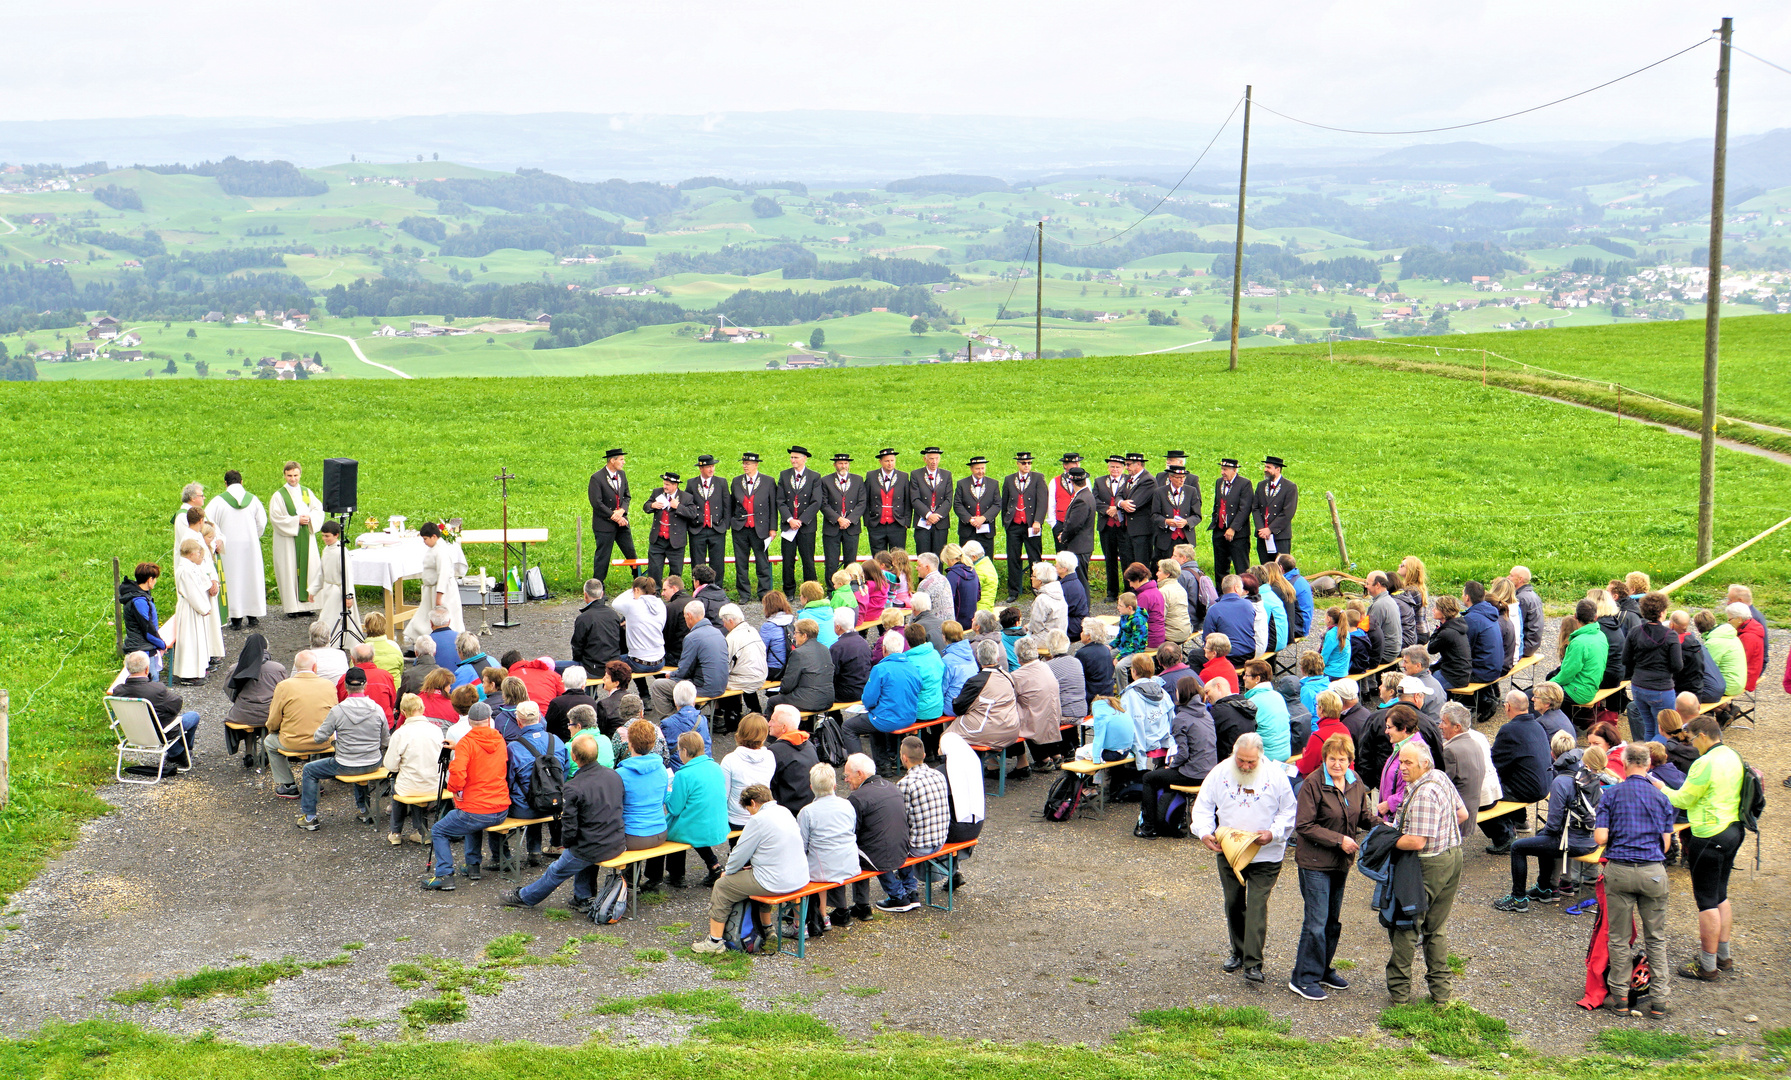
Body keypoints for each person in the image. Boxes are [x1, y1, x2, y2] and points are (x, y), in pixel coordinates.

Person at [1192, 732, 1296, 983]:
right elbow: (1203, 806)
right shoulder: (1219, 772)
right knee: (1233, 902)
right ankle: (1238, 951)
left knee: (1257, 905)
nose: (1246, 766)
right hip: (1229, 850)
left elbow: (1289, 811)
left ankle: (1253, 964)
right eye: (1241, 761)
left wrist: (1273, 833)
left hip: (1266, 854)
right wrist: (1204, 832)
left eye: (1252, 762)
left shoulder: (1276, 776)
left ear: (1261, 757)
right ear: (1233, 753)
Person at [1289, 731, 1379, 1000]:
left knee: (1332, 921)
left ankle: (1323, 969)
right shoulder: (1312, 784)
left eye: (1342, 759)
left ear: (1350, 760)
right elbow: (1303, 826)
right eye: (1332, 759)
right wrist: (1339, 840)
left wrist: (1384, 827)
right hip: (1314, 862)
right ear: (1324, 759)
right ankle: (1303, 978)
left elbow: (1362, 814)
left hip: (1340, 862)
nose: (1337, 764)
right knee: (1316, 922)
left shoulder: (1354, 780)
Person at [1655, 716, 1744, 981]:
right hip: (1733, 829)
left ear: (1703, 735)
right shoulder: (1732, 755)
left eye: (1693, 740)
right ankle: (1723, 956)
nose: (1693, 745)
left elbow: (1683, 798)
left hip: (1708, 833)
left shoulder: (1704, 763)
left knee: (1706, 902)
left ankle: (1707, 966)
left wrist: (1661, 788)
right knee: (1720, 895)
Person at [1596, 742, 1678, 1017]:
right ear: (1648, 765)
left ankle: (1619, 996)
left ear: (1625, 761)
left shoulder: (1611, 795)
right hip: (1652, 871)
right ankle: (1660, 1000)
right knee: (1656, 937)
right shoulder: (1661, 798)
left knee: (1619, 938)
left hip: (1619, 870)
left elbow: (1601, 838)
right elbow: (1666, 845)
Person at [1384, 741, 1469, 1005]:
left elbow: (1416, 842)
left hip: (1427, 864)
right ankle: (1441, 994)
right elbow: (1462, 814)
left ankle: (1399, 995)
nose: (1402, 767)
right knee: (1436, 928)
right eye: (1401, 761)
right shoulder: (1440, 777)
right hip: (1452, 857)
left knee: (1406, 924)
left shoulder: (1422, 794)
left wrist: (1384, 839)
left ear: (1424, 764)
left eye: (1408, 762)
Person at [690, 783, 807, 954]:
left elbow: (739, 854)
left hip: (775, 882)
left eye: (748, 809)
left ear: (752, 803)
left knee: (722, 886)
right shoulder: (784, 811)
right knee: (758, 877)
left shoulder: (758, 820)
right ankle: (767, 928)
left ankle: (715, 941)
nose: (749, 813)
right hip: (799, 877)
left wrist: (727, 872)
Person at [1493, 745, 1606, 911]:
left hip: (1572, 843)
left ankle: (1518, 898)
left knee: (1518, 847)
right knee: (1541, 836)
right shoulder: (1591, 778)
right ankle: (1543, 889)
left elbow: (1553, 826)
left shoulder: (1561, 781)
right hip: (1591, 840)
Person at [421, 700, 511, 889]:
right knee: (470, 821)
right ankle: (472, 866)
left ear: (469, 721)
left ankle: (445, 875)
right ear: (489, 720)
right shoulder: (499, 739)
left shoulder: (467, 743)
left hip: (476, 809)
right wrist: (459, 747)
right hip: (501, 807)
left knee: (439, 830)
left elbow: (457, 773)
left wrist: (455, 790)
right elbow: (483, 756)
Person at [294, 667, 386, 831]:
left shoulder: (338, 711)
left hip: (346, 763)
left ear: (345, 685)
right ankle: (364, 810)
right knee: (359, 766)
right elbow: (386, 740)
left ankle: (309, 817)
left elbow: (318, 738)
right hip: (373, 762)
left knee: (309, 769)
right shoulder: (377, 709)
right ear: (365, 685)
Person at [1140, 677, 1214, 837]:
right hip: (1209, 772)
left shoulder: (1181, 718)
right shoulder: (1206, 714)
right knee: (1162, 776)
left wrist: (1172, 766)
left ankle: (1149, 827)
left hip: (1192, 774)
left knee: (1149, 778)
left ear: (1182, 693)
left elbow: (1183, 753)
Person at [1482, 690, 1552, 853]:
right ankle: (1520, 820)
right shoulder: (1537, 725)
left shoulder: (1509, 730)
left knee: (1482, 793)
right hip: (1544, 784)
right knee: (1513, 772)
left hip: (1528, 790)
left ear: (1507, 707)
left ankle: (1503, 838)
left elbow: (1494, 762)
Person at [847, 625, 926, 769]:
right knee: (874, 720)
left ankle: (859, 766)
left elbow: (868, 700)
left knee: (849, 727)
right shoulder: (913, 667)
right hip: (909, 716)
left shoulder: (880, 669)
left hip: (888, 719)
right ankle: (884, 765)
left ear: (883, 649)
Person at [841, 753, 909, 919]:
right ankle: (908, 889)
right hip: (902, 850)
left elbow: (851, 834)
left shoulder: (857, 798)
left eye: (846, 776)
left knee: (852, 850)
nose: (845, 780)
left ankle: (862, 906)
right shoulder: (892, 786)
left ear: (860, 774)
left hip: (881, 857)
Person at [886, 736, 950, 912]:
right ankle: (910, 888)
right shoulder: (939, 774)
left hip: (920, 847)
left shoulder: (905, 784)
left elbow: (901, 820)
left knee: (888, 842)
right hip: (941, 839)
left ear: (904, 758)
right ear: (923, 755)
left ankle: (904, 892)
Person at [261, 651, 338, 797]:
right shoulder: (328, 685)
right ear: (314, 667)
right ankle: (315, 780)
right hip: (324, 741)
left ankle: (288, 784)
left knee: (269, 742)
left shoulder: (284, 686)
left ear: (295, 667)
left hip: (292, 741)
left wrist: (274, 730)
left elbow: (273, 719)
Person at [111, 651, 201, 770]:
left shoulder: (118, 691)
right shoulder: (156, 689)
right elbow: (176, 706)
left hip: (133, 734)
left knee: (164, 722)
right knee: (193, 716)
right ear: (147, 669)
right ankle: (181, 753)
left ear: (128, 669)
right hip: (159, 734)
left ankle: (178, 753)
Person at [797, 762, 859, 933]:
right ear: (834, 785)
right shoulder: (847, 804)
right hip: (849, 864)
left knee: (812, 863)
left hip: (823, 869)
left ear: (811, 787)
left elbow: (801, 845)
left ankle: (807, 921)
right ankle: (824, 915)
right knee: (823, 859)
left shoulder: (807, 812)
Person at [663, 730, 729, 889]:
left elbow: (674, 808)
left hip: (697, 827)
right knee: (692, 822)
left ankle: (676, 875)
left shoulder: (683, 775)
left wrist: (666, 793)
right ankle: (714, 865)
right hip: (718, 824)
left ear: (684, 751)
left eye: (679, 750)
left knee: (670, 828)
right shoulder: (715, 766)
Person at [205, 470, 267, 629]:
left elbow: (208, 523)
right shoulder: (253, 500)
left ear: (225, 483)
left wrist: (215, 542)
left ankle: (236, 618)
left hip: (229, 548)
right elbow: (262, 522)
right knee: (251, 577)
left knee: (233, 579)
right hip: (250, 546)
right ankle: (253, 616)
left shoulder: (218, 502)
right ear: (241, 482)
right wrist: (254, 536)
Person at [616, 719, 672, 891]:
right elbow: (664, 799)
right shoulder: (661, 768)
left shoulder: (620, 774)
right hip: (659, 833)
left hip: (632, 837)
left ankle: (630, 882)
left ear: (629, 743)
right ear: (653, 743)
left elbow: (616, 808)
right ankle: (654, 877)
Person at [1622, 591, 1683, 743]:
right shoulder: (1670, 635)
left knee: (1649, 727)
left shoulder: (1635, 632)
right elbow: (1677, 666)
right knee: (1664, 730)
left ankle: (1650, 758)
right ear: (1662, 612)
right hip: (1661, 688)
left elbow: (1625, 659)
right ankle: (1657, 757)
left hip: (1639, 686)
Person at [385, 694, 445, 844]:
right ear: (422, 709)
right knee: (415, 781)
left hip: (410, 786)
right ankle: (421, 831)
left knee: (397, 783)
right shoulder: (436, 730)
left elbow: (390, 765)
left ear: (403, 712)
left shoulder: (400, 734)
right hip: (434, 785)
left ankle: (396, 832)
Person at [650, 604, 727, 718]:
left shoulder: (693, 637)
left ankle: (673, 721)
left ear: (689, 616)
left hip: (704, 688)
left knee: (658, 686)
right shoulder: (718, 632)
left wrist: (671, 675)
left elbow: (684, 670)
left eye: (685, 617)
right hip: (721, 685)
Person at [267, 461, 323, 617]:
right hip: (288, 541)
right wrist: (295, 521)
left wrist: (309, 518)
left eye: (295, 475)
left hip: (306, 537)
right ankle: (292, 608)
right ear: (284, 475)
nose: (293, 479)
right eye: (289, 475)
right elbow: (276, 518)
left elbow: (318, 510)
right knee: (289, 570)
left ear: (300, 474)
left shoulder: (306, 492)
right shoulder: (279, 496)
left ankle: (308, 606)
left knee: (309, 568)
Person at [947, 639, 1022, 750]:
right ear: (997, 658)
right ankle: (992, 765)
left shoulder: (976, 682)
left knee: (947, 737)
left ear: (978, 658)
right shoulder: (1009, 677)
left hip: (989, 732)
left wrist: (954, 700)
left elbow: (958, 708)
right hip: (1011, 729)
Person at [222, 633, 284, 764]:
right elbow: (286, 692)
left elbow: (228, 690)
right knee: (270, 716)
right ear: (266, 649)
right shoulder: (278, 668)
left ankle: (248, 753)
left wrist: (241, 701)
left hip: (242, 715)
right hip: (269, 714)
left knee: (248, 716)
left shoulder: (235, 668)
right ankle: (266, 752)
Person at [1439, 702, 1497, 837]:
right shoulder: (1475, 743)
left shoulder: (1450, 751)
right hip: (1471, 810)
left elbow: (1442, 785)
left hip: (1456, 815)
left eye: (1444, 722)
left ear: (1457, 727)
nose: (1440, 726)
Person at [998, 452, 1046, 602]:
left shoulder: (1038, 478)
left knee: (1035, 558)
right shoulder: (1009, 479)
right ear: (1018, 464)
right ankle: (1013, 591)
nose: (1027, 466)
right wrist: (1006, 522)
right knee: (1013, 558)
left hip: (1032, 525)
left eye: (1029, 463)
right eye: (1024, 463)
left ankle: (1037, 588)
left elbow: (1042, 501)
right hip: (1014, 525)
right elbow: (1004, 501)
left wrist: (1038, 520)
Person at [1011, 636, 1064, 768]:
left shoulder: (1017, 676)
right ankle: (1055, 754)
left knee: (1018, 718)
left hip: (1036, 721)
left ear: (1018, 657)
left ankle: (1041, 760)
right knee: (1037, 710)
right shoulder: (1045, 667)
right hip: (1054, 717)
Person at [170, 539, 217, 683]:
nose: (200, 556)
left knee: (197, 640)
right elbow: (192, 592)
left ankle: (198, 669)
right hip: (190, 608)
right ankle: (188, 674)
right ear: (191, 554)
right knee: (190, 640)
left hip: (195, 608)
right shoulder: (184, 570)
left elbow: (202, 583)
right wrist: (204, 608)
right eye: (198, 554)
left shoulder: (191, 567)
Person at [730, 451, 776, 600]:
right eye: (743, 463)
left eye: (748, 464)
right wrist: (733, 521)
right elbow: (732, 505)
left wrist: (772, 528)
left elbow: (772, 507)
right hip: (741, 528)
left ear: (756, 465)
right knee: (741, 562)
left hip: (760, 528)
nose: (745, 466)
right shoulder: (736, 481)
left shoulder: (768, 481)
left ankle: (763, 592)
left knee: (762, 562)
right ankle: (744, 594)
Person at [766, 619, 835, 715]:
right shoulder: (825, 649)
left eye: (796, 633)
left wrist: (781, 692)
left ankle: (768, 729)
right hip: (827, 700)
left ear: (804, 635)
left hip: (809, 701)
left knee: (772, 702)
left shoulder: (798, 653)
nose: (794, 636)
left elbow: (788, 683)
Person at [721, 712, 777, 830]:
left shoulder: (730, 760)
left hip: (737, 819)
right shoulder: (769, 756)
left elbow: (723, 794)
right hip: (762, 815)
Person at [1552, 599, 1608, 708]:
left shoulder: (1578, 642)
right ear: (1595, 617)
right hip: (1592, 686)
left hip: (1579, 692)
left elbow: (1567, 675)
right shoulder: (1601, 635)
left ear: (1575, 616)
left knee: (1535, 696)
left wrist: (1548, 684)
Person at [767, 705, 820, 815]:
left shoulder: (774, 751)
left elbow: (768, 784)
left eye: (772, 720)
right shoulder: (808, 744)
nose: (769, 724)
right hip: (811, 804)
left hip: (788, 810)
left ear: (783, 728)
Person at [1238, 659, 1291, 762]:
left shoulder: (1252, 702)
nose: (1243, 677)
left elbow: (1244, 731)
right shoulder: (1278, 695)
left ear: (1257, 678)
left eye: (1246, 675)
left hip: (1266, 756)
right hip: (1285, 751)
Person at [612, 576, 668, 673]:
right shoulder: (661, 604)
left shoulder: (632, 605)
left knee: (609, 663)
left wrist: (631, 590)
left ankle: (643, 689)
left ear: (636, 590)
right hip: (660, 661)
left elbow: (615, 603)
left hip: (639, 663)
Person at [1053, 468, 1096, 592]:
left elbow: (1074, 524)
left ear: (1071, 481)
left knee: (1081, 581)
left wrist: (1064, 536)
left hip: (1079, 547)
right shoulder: (1087, 495)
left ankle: (1084, 609)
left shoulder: (1081, 499)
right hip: (1083, 546)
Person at [864, 448, 911, 556]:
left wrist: (906, 522)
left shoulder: (903, 477)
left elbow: (907, 501)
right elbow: (865, 500)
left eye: (892, 460)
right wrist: (868, 522)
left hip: (897, 524)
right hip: (877, 524)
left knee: (898, 557)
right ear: (880, 462)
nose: (890, 463)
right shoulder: (871, 476)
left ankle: (897, 574)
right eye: (886, 461)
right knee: (878, 557)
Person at [657, 681, 712, 771]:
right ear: (694, 700)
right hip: (703, 768)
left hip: (678, 771)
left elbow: (664, 753)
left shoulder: (667, 724)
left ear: (675, 701)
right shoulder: (702, 720)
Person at [571, 579, 624, 672]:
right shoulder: (613, 614)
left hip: (592, 667)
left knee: (555, 666)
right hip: (614, 666)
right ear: (602, 594)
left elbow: (577, 647)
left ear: (585, 595)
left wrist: (578, 660)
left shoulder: (583, 618)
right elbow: (620, 640)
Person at [1252, 456, 1297, 563]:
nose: (1265, 470)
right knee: (1265, 567)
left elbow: (1287, 513)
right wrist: (1261, 529)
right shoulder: (1261, 485)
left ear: (1278, 469)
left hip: (1280, 536)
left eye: (1268, 467)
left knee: (1281, 568)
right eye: (1265, 467)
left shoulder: (1289, 487)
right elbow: (1255, 508)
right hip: (1263, 535)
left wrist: (1270, 529)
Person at [1203, 575, 1256, 661]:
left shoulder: (1213, 609)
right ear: (1236, 588)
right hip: (1249, 653)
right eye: (1242, 588)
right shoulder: (1248, 605)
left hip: (1225, 656)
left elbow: (1207, 637)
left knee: (1194, 656)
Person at [1426, 595, 1471, 691]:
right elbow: (1449, 657)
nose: (1433, 610)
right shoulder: (1458, 626)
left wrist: (1438, 629)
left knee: (1423, 683)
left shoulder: (1447, 632)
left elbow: (1431, 649)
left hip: (1453, 677)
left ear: (1444, 612)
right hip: (1462, 674)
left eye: (1436, 608)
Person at [1365, 571, 1401, 669]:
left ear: (1377, 585)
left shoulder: (1379, 605)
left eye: (1367, 584)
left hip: (1385, 654)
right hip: (1394, 650)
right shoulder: (1390, 600)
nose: (1365, 586)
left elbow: (1370, 635)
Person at [944, 544, 980, 626]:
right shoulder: (972, 571)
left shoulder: (952, 574)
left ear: (949, 559)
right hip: (971, 618)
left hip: (957, 620)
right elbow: (978, 596)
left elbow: (948, 600)